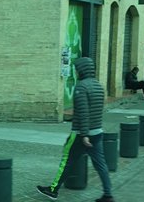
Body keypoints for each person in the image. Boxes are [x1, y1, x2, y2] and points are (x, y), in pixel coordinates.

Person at [36, 57, 115, 202]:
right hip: (97, 132)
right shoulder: (98, 85)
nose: (76, 72)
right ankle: (108, 195)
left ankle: (53, 190)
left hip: (81, 134)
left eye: (77, 69)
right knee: (101, 164)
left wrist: (84, 134)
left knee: (67, 160)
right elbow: (97, 110)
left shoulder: (81, 87)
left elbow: (83, 112)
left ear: (81, 70)